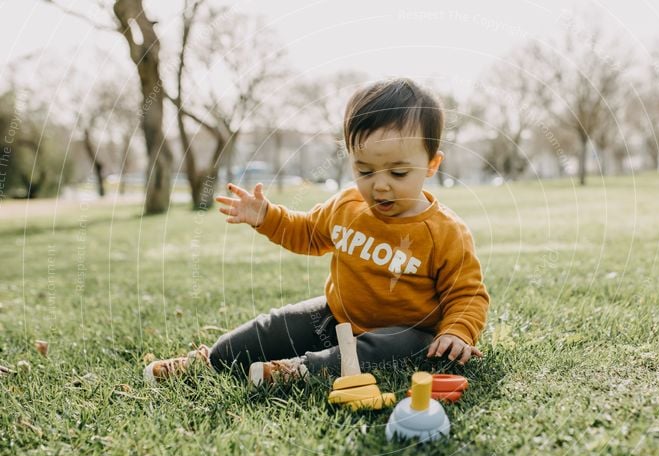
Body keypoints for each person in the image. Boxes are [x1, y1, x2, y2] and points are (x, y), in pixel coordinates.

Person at [144, 78, 490, 387]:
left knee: (399, 346)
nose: (380, 185)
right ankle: (212, 360)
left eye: (398, 173)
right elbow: (307, 232)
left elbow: (467, 294)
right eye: (364, 170)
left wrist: (457, 331)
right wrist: (266, 216)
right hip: (334, 316)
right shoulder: (347, 206)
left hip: (408, 332)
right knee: (271, 326)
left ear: (432, 164)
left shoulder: (445, 232)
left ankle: (297, 371)